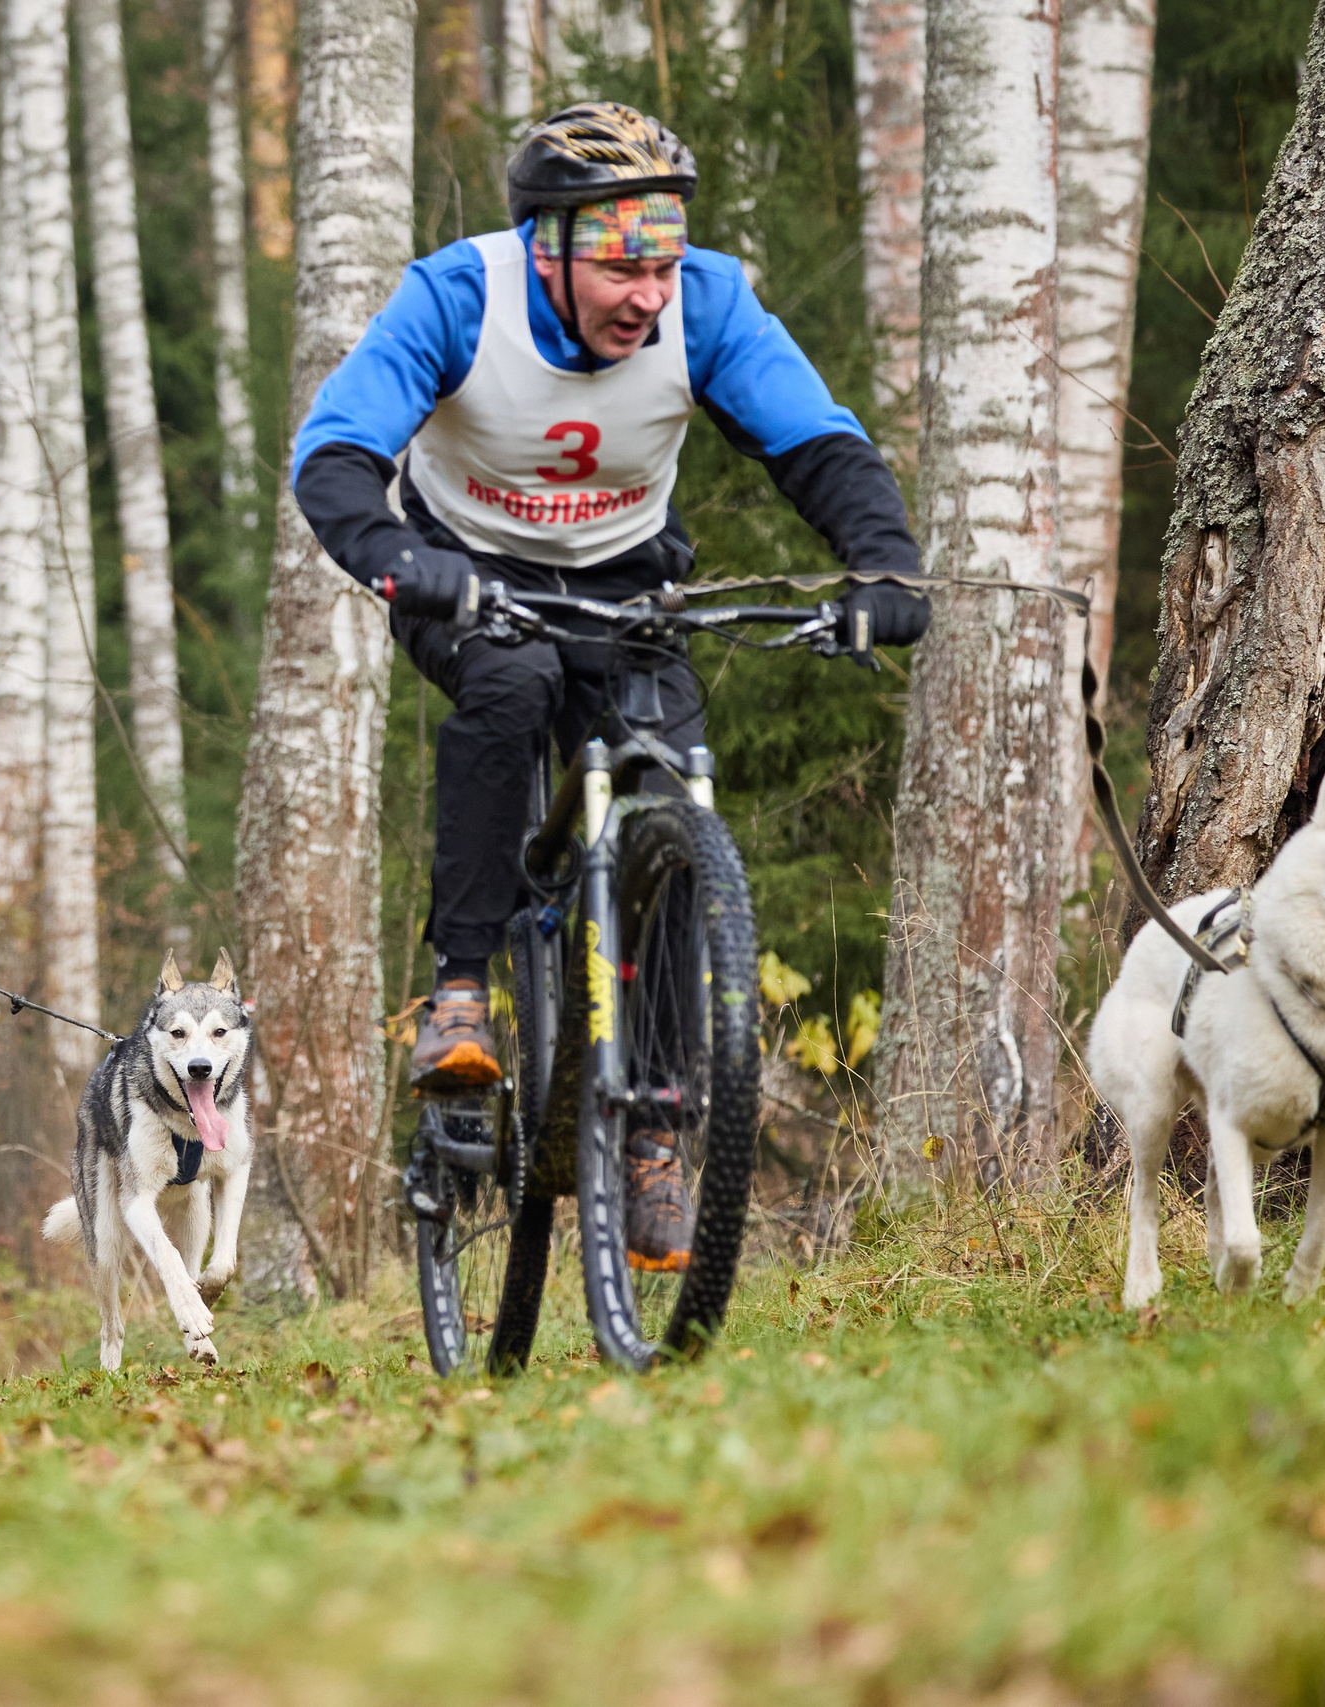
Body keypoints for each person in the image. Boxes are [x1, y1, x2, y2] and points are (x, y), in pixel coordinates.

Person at [292, 103, 928, 1264]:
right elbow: (331, 455)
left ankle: (656, 1134)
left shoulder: (707, 304)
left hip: (626, 577)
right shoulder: (458, 297)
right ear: (549, 248)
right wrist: (402, 566)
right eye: (622, 266)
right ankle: (462, 996)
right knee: (510, 687)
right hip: (467, 571)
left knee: (674, 795)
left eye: (664, 264)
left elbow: (818, 447)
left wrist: (883, 567)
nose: (648, 294)